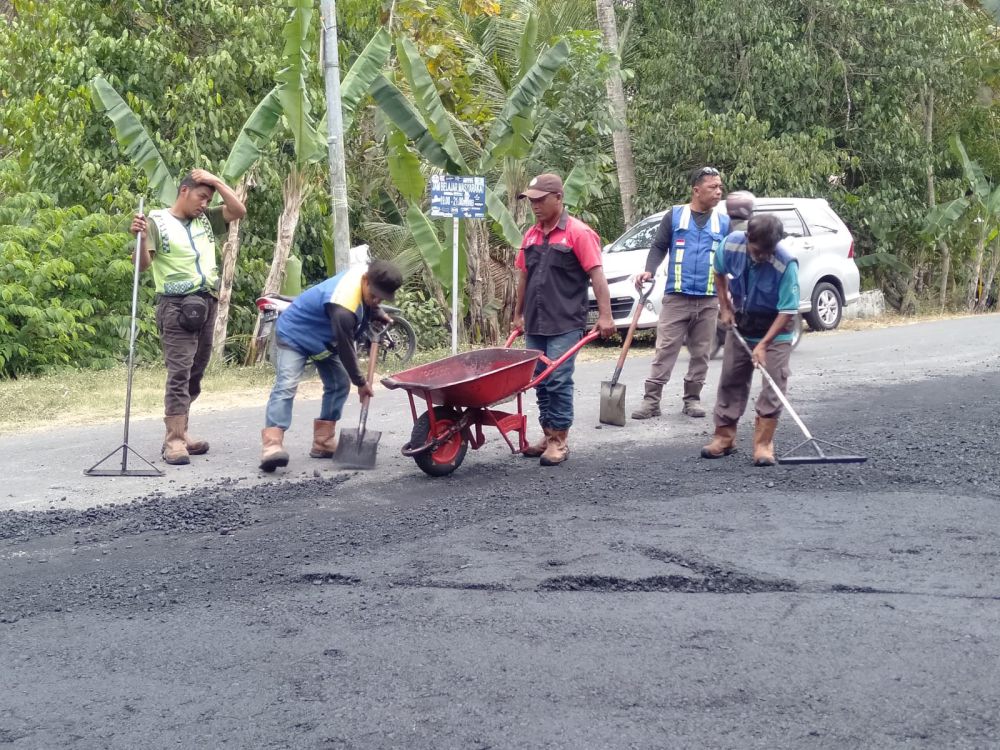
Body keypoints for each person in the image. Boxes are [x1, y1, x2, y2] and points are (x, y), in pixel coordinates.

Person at [130, 169, 247, 466]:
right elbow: (142, 266)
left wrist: (218, 181)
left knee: (196, 371)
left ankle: (182, 431)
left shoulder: (205, 219)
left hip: (206, 301)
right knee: (179, 371)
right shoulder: (157, 221)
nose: (205, 204)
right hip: (176, 305)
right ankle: (174, 442)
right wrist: (141, 239)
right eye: (201, 197)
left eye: (209, 199)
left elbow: (238, 210)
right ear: (184, 191)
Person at [259, 260, 403, 472]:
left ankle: (323, 442)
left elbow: (366, 301)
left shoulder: (365, 277)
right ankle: (272, 445)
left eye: (382, 297)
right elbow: (346, 350)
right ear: (365, 280)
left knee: (338, 384)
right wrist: (361, 383)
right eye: (374, 295)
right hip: (295, 334)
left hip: (322, 340)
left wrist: (375, 311)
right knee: (287, 385)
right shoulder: (342, 307)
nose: (377, 299)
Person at [513, 173, 615, 467]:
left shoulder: (578, 233)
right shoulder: (531, 235)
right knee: (538, 381)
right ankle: (547, 434)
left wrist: (606, 316)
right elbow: (524, 276)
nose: (534, 205)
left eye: (540, 199)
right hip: (535, 322)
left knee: (557, 379)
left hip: (565, 322)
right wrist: (518, 315)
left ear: (558, 198)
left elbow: (597, 275)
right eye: (531, 200)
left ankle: (559, 440)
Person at [701, 213, 800, 466]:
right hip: (742, 325)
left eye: (768, 250)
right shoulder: (731, 244)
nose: (763, 255)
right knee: (731, 379)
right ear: (747, 238)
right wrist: (724, 307)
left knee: (774, 384)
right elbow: (718, 272)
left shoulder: (785, 263)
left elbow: (788, 310)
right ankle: (724, 438)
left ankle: (763, 445)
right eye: (758, 250)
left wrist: (764, 345)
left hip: (775, 330)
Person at [631, 166, 730, 420]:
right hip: (676, 297)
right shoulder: (675, 216)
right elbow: (659, 246)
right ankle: (651, 402)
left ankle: (692, 400)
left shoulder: (724, 222)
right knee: (665, 350)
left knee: (701, 353)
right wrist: (648, 271)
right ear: (696, 190)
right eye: (713, 187)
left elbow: (728, 259)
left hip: (708, 299)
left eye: (720, 187)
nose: (719, 192)